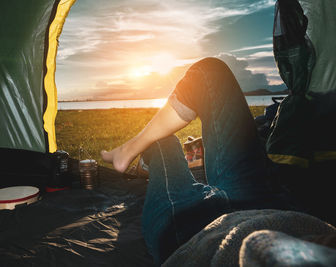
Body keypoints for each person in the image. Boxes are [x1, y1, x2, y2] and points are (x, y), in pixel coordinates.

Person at [101, 1, 336, 264]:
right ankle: (136, 152)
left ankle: (140, 157)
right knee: (209, 73)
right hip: (273, 203)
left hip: (196, 230)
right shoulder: (309, 106)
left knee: (163, 144)